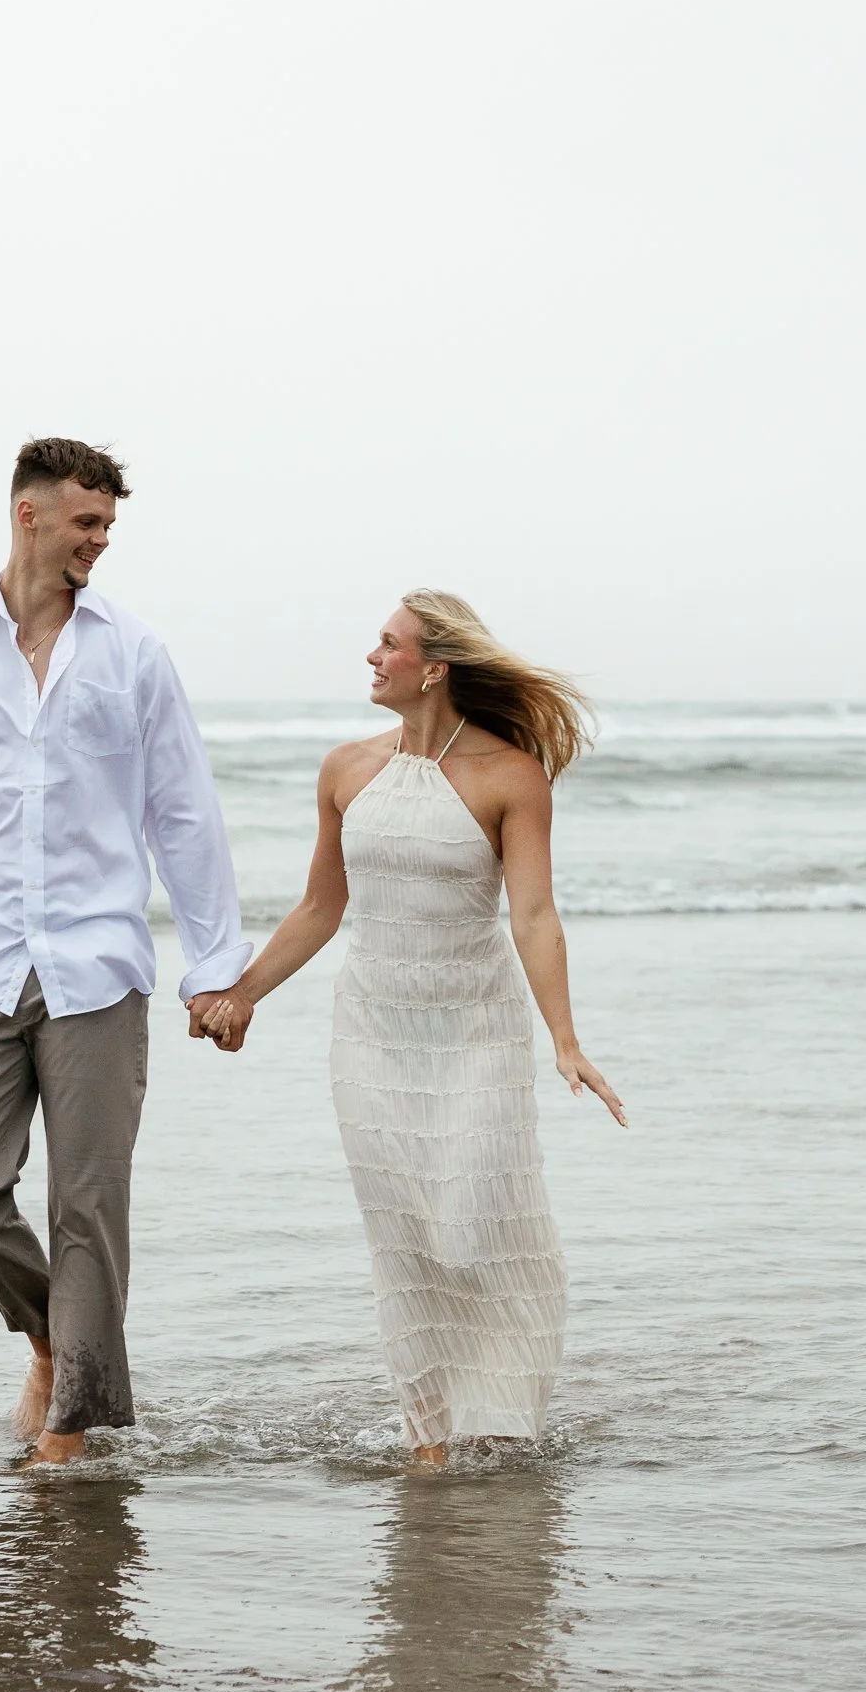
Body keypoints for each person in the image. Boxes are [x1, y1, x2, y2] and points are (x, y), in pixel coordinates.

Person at [0, 437, 249, 1463]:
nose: (100, 542)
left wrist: (217, 968)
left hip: (98, 966)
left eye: (109, 526)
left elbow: (186, 816)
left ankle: (71, 1432)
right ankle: (49, 1337)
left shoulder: (135, 653)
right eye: (87, 523)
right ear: (28, 514)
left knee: (89, 1208)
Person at [192, 594, 622, 1464]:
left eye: (387, 645)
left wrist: (564, 1040)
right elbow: (321, 907)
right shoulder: (347, 770)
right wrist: (241, 994)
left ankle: (499, 1418)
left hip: (475, 1030)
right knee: (407, 1238)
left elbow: (534, 915)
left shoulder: (510, 774)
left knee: (472, 1221)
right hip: (374, 1035)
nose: (370, 656)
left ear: (434, 668)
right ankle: (429, 1435)